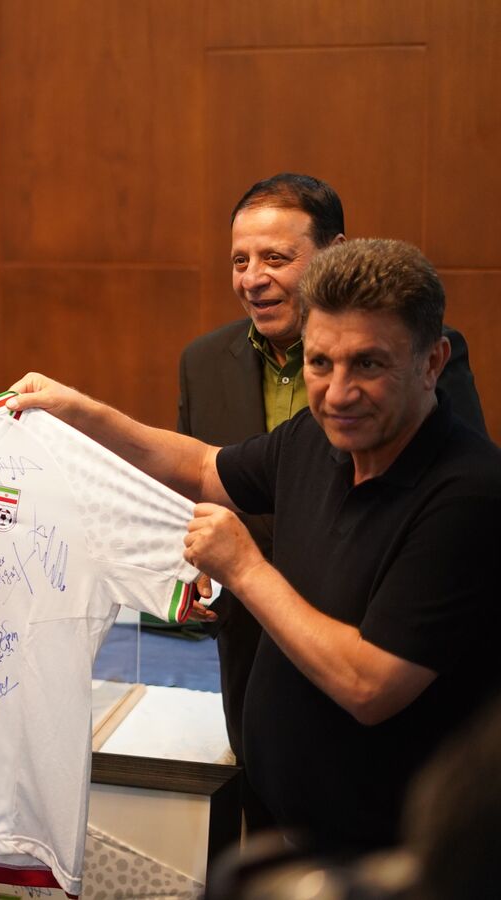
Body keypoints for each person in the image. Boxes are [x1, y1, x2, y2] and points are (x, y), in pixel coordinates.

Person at [8, 237, 501, 851]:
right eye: (320, 363)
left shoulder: (469, 496)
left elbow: (369, 685)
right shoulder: (320, 438)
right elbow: (203, 466)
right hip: (291, 825)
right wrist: (81, 412)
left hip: (398, 857)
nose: (338, 392)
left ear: (432, 363)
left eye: (368, 365)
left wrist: (243, 567)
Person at [176, 173, 486, 830]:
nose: (253, 278)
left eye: (275, 257)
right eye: (239, 260)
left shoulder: (433, 399)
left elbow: (438, 522)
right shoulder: (205, 361)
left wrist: (244, 565)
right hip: (257, 674)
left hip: (381, 727)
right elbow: (202, 469)